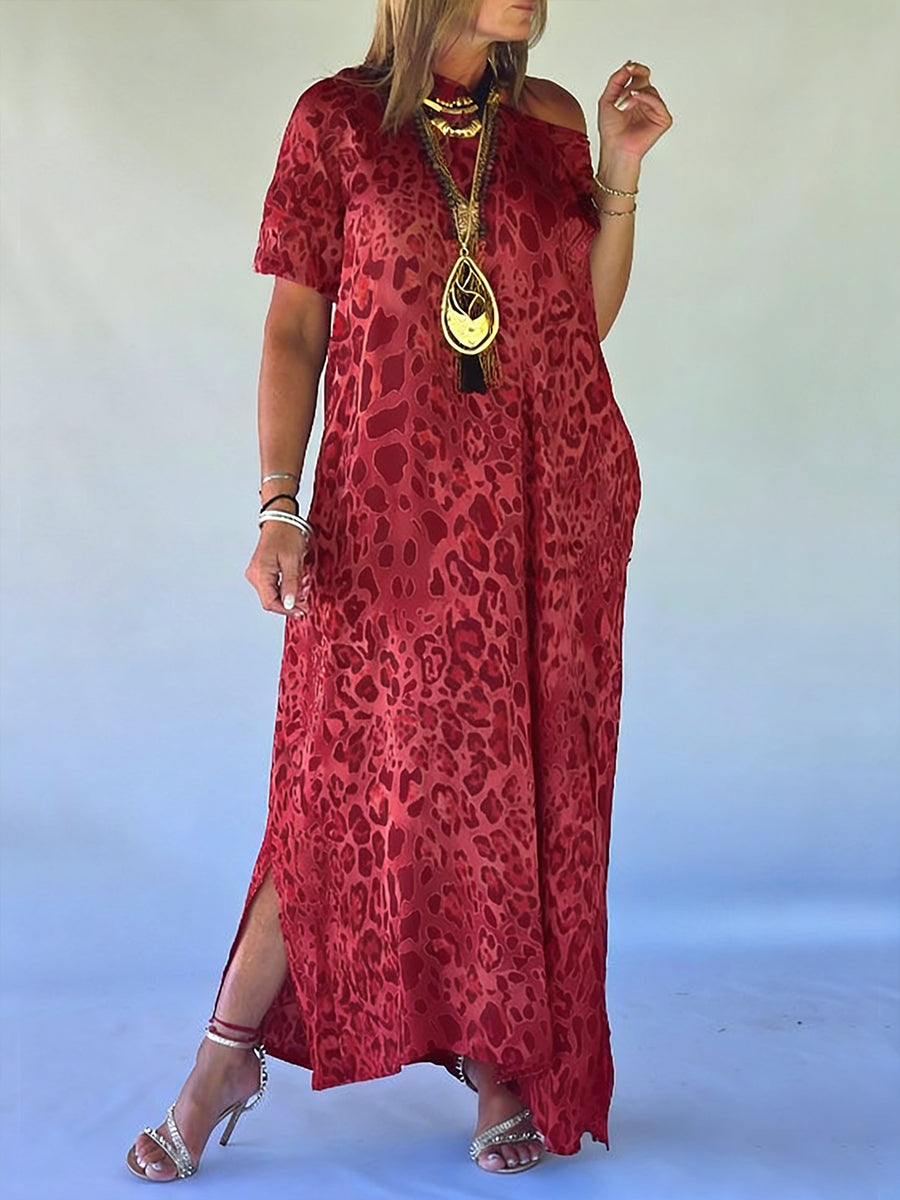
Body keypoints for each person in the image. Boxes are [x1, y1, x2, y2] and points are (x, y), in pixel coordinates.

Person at [125, 0, 672, 1182]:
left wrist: (621, 171)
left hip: (541, 508)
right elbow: (294, 326)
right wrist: (279, 504)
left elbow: (575, 324)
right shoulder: (335, 124)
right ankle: (227, 1055)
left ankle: (503, 1061)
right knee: (340, 779)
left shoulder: (547, 120)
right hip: (387, 513)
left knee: (512, 776)